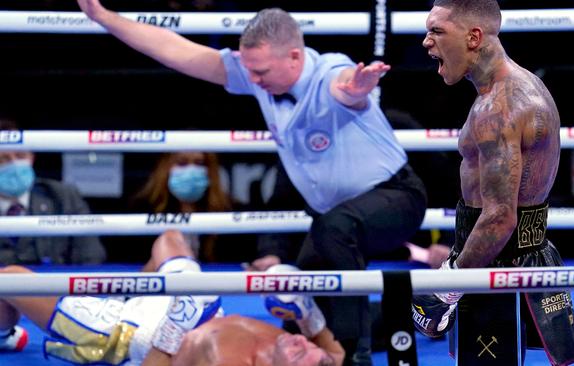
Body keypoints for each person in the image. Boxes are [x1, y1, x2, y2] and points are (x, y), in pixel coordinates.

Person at [76, 2, 428, 364]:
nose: (254, 81)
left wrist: (355, 90)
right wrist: (106, 18)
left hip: (396, 199)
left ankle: (358, 357)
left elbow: (344, 88)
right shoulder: (257, 72)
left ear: (294, 56)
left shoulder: (330, 71)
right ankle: (413, 313)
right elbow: (177, 50)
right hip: (335, 219)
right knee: (300, 313)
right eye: (250, 71)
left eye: (261, 72)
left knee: (336, 229)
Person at [411, 1, 574, 365]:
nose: (426, 42)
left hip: (497, 259)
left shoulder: (498, 109)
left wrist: (450, 285)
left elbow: (500, 217)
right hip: (511, 250)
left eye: (436, 31)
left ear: (474, 37)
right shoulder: (523, 84)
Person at [0, 230, 345, 366]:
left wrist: (174, 328)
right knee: (170, 240)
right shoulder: (299, 345)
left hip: (129, 333)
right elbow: (336, 354)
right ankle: (133, 293)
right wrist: (308, 313)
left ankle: (4, 335)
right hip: (194, 306)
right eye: (310, 348)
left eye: (302, 355)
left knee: (9, 280)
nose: (303, 343)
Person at [0, 116, 105, 265]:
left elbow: (92, 256)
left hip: (52, 287)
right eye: (3, 159)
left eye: (20, 156)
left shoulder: (63, 196)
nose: (14, 164)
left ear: (32, 157)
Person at [126, 151, 243, 263]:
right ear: (165, 167)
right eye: (182, 163)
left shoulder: (231, 212)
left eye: (199, 163)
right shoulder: (141, 209)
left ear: (211, 170)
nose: (191, 171)